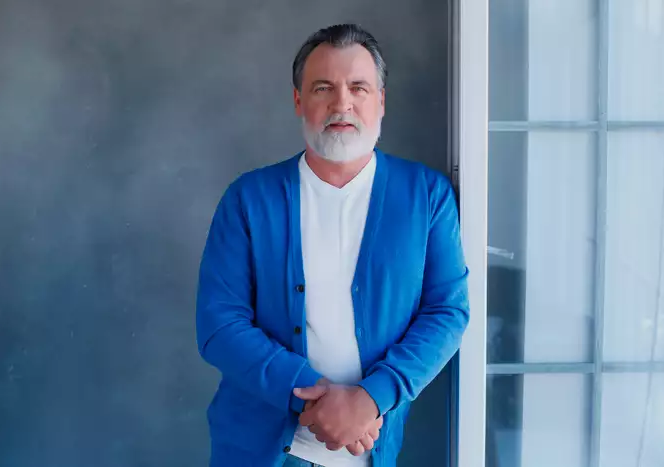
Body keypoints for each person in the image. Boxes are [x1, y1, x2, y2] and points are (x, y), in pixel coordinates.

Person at [196, 23, 469, 467]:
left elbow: (447, 311)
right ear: (298, 100)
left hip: (373, 447)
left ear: (381, 101)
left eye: (359, 88)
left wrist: (371, 398)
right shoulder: (249, 199)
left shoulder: (426, 196)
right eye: (323, 88)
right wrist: (313, 398)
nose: (342, 103)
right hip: (257, 452)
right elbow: (218, 324)